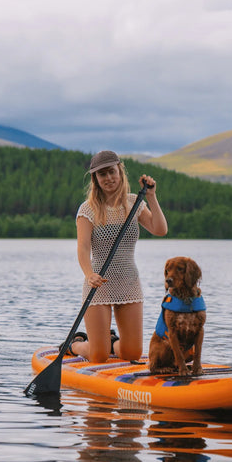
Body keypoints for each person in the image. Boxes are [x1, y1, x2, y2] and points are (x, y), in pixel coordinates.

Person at [68, 150, 168, 363]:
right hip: (98, 285)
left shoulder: (134, 203)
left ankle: (110, 341)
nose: (108, 178)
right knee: (98, 355)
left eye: (111, 172)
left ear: (120, 172)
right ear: (95, 179)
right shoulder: (88, 209)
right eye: (102, 174)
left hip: (128, 283)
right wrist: (89, 274)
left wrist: (151, 197)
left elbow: (160, 230)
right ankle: (75, 344)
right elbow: (83, 248)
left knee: (132, 354)